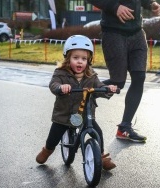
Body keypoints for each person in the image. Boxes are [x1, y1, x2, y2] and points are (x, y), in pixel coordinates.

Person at [35, 35, 118, 170]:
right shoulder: (61, 73)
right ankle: (47, 150)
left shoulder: (91, 76)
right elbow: (53, 84)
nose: (80, 62)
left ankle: (101, 157)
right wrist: (61, 88)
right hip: (64, 114)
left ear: (89, 60)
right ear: (68, 58)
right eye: (76, 58)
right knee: (54, 136)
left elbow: (99, 88)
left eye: (84, 59)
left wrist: (108, 89)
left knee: (97, 132)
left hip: (85, 114)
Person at [86, 0, 160, 142]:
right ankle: (84, 95)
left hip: (137, 32)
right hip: (113, 33)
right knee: (118, 82)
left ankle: (124, 127)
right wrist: (115, 7)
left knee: (139, 78)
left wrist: (151, 4)